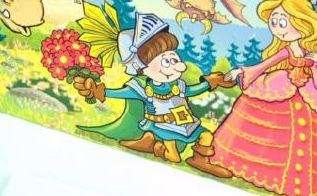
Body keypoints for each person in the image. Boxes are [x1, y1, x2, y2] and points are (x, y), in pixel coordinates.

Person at [212, 0, 317, 196]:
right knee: (264, 123)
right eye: (274, 22)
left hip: (310, 93)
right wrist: (241, 71)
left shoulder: (314, 55)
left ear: (304, 23)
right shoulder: (286, 51)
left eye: (283, 22)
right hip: (281, 85)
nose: (277, 28)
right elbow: (264, 65)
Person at [71, 12, 235, 178]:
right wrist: (98, 91)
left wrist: (210, 83)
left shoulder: (177, 85)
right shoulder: (143, 88)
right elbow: (121, 93)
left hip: (187, 122)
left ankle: (199, 160)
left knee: (206, 135)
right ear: (143, 67)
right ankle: (154, 145)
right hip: (163, 126)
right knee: (174, 157)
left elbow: (192, 90)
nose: (177, 65)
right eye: (166, 61)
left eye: (174, 58)